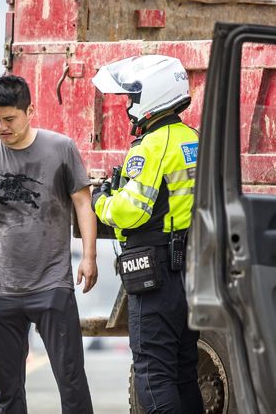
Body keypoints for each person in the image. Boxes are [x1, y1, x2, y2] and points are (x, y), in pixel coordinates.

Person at [0, 75, 97, 414]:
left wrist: (88, 256)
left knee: (71, 380)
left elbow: (83, 203)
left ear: (30, 110)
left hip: (51, 284)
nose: (1, 127)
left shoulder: (60, 148)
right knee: (6, 388)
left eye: (9, 119)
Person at [90, 55, 203, 414]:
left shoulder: (151, 146)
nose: (128, 105)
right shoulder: (194, 138)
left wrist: (101, 200)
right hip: (190, 274)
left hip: (155, 275)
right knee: (185, 372)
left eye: (132, 97)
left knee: (153, 375)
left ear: (151, 96)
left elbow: (132, 210)